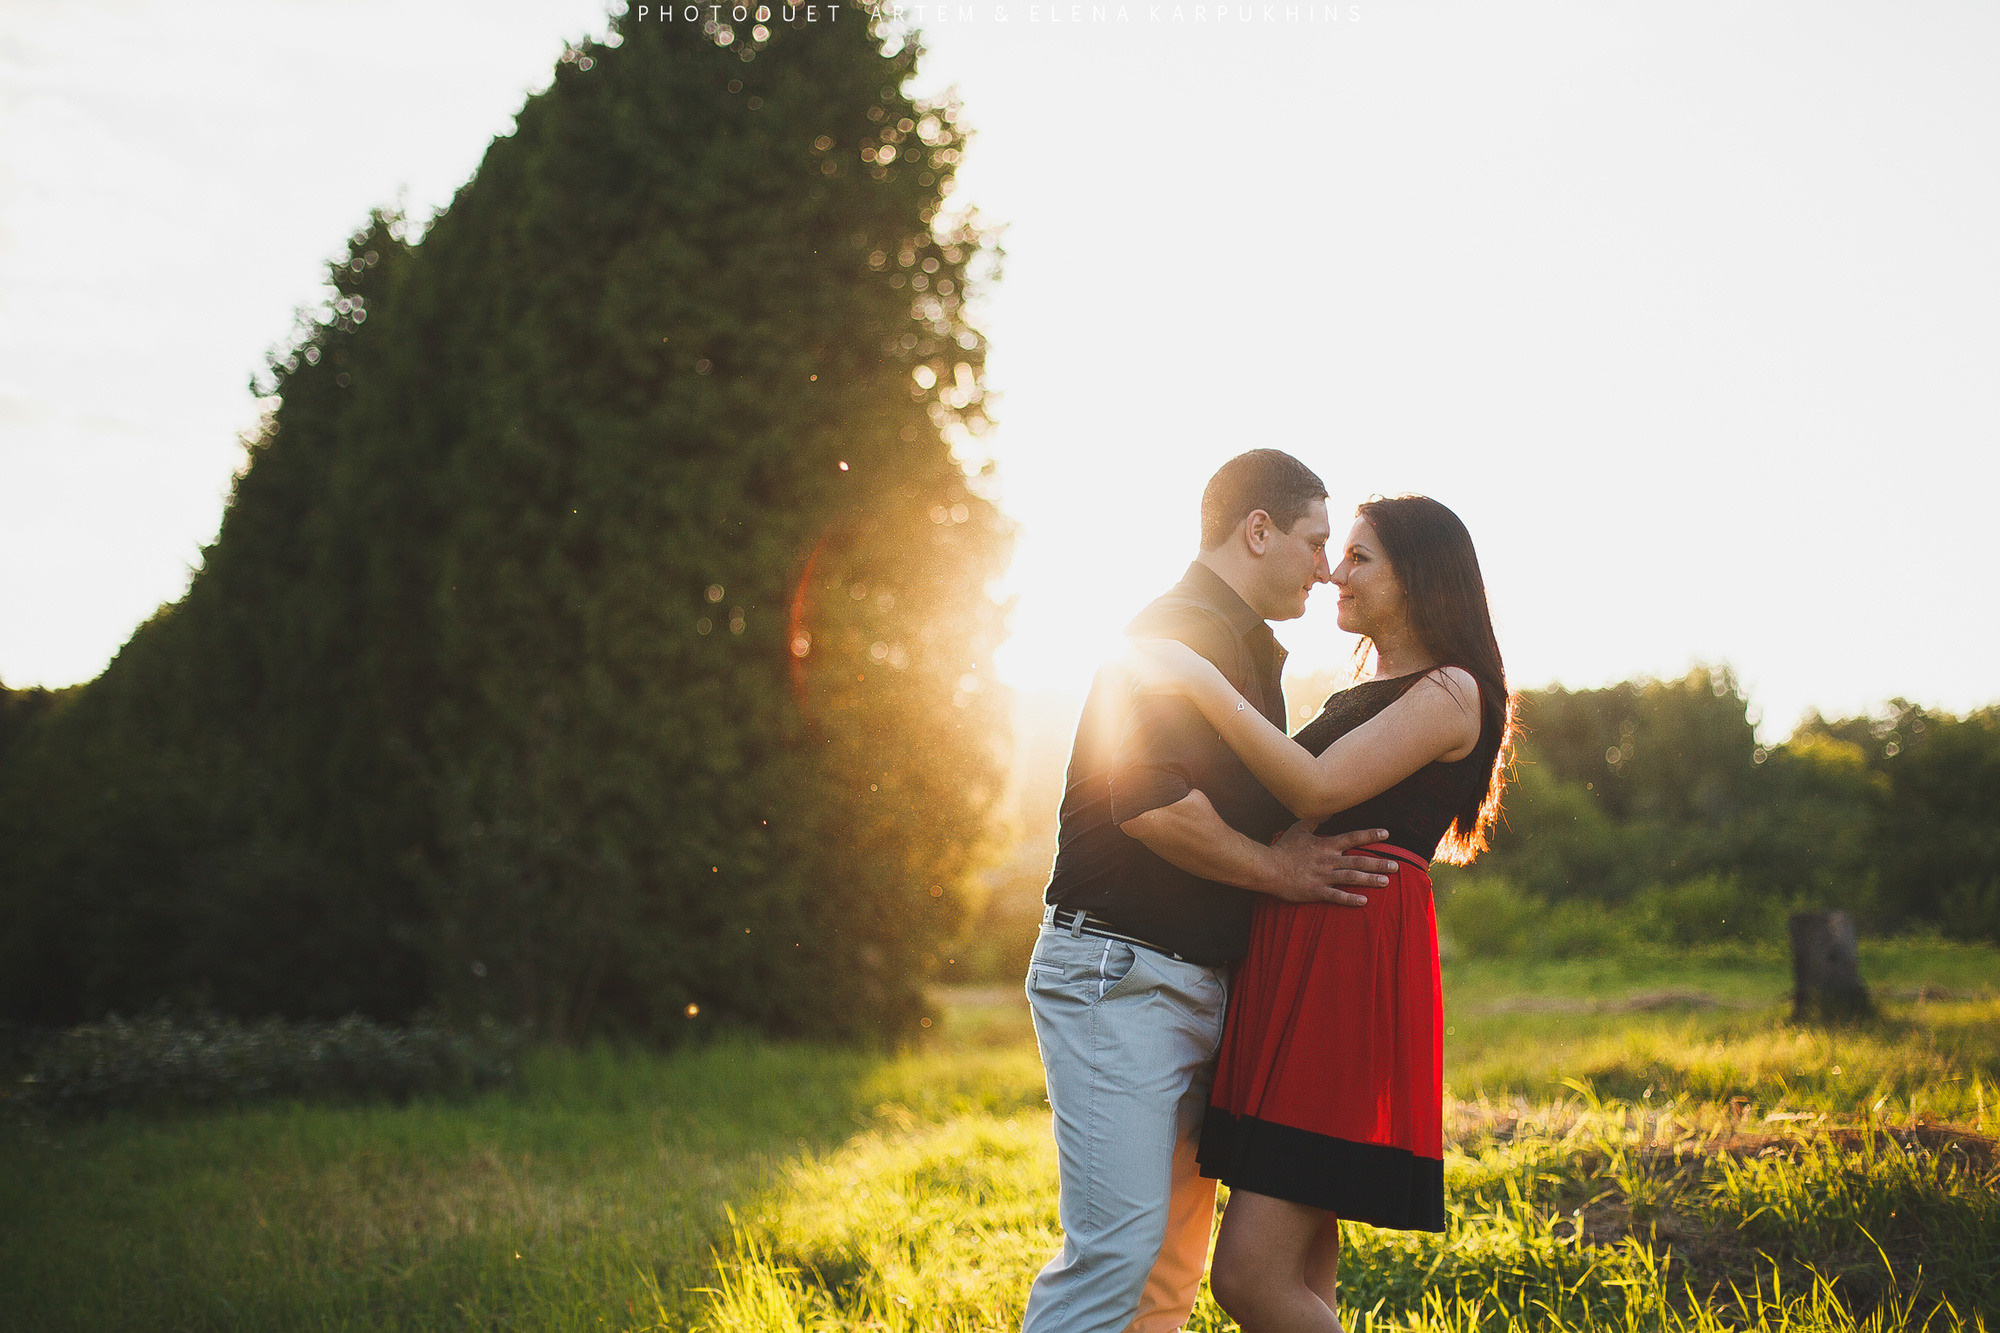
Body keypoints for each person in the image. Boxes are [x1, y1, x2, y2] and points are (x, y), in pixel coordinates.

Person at [1022, 450, 1402, 1333]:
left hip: (1185, 981)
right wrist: (1281, 870)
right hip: (1121, 974)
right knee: (1116, 1254)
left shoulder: (1242, 646)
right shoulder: (1178, 630)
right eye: (1314, 540)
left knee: (1168, 1272)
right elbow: (1151, 802)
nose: (1325, 565)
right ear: (1256, 529)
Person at [1125, 494, 1514, 1333]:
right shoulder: (1366, 689)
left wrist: (1195, 677)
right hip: (1300, 943)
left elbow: (1313, 788)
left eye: (1360, 557)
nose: (1336, 571)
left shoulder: (1451, 690)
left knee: (1250, 1277)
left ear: (1418, 576)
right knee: (1302, 1271)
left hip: (1348, 952)